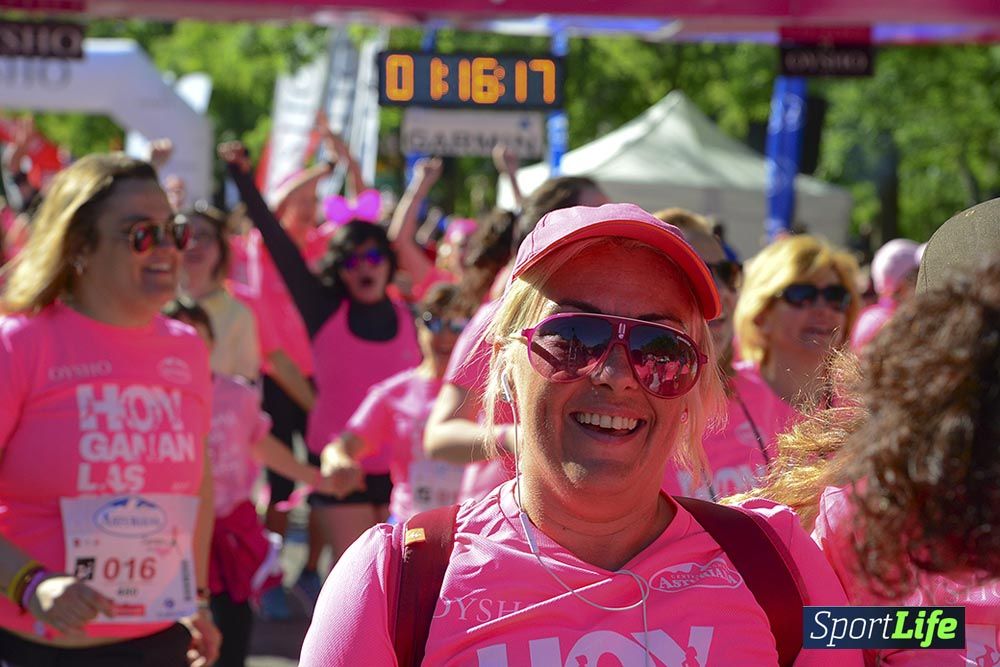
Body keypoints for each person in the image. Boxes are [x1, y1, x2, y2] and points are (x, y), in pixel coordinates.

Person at [301, 203, 859, 666]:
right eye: (572, 338)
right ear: (505, 365)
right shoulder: (394, 582)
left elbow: (915, 632)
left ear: (693, 386)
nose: (616, 376)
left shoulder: (775, 560)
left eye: (658, 349)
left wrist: (928, 586)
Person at [0, 154, 219, 666]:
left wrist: (198, 596)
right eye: (142, 234)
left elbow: (198, 484)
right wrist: (30, 584)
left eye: (174, 231)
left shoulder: (186, 347)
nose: (167, 249)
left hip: (157, 641)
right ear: (79, 246)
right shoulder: (21, 345)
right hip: (33, 645)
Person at [220, 141, 422, 574]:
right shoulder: (325, 308)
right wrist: (241, 177)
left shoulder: (410, 315)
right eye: (350, 260)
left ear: (387, 262)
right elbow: (277, 245)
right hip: (341, 463)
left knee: (402, 578)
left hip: (401, 467)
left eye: (371, 256)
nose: (362, 267)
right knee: (362, 574)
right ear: (338, 268)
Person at [163, 298, 337, 667]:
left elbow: (260, 443)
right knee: (177, 637)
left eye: (197, 336)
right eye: (175, 335)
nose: (187, 346)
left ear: (211, 342)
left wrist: (315, 479)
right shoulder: (148, 398)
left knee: (233, 629)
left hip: (232, 533)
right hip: (172, 533)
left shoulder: (236, 394)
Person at [423, 175, 609, 503]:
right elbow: (438, 436)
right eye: (593, 214)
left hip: (579, 519)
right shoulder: (498, 319)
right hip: (498, 522)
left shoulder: (617, 324)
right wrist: (515, 438)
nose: (608, 226)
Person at [655, 208, 798, 500]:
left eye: (726, 273)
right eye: (699, 272)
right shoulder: (629, 405)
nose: (718, 291)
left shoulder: (765, 388)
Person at [320, 283, 474, 523]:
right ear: (417, 326)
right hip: (411, 529)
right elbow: (340, 448)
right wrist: (339, 463)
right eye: (432, 322)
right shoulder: (393, 393)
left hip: (475, 532)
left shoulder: (493, 390)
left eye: (457, 325)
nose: (444, 335)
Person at [733, 234, 861, 412]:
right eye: (802, 294)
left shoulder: (864, 405)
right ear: (761, 313)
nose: (823, 309)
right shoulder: (717, 397)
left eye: (835, 296)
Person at [180, 200, 261, 381]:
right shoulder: (153, 307)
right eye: (185, 235)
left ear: (221, 246)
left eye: (204, 236)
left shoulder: (239, 315)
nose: (193, 243)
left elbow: (244, 392)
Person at [849, 238, 920, 352]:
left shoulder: (873, 318)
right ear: (902, 286)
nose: (925, 278)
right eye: (919, 272)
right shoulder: (885, 324)